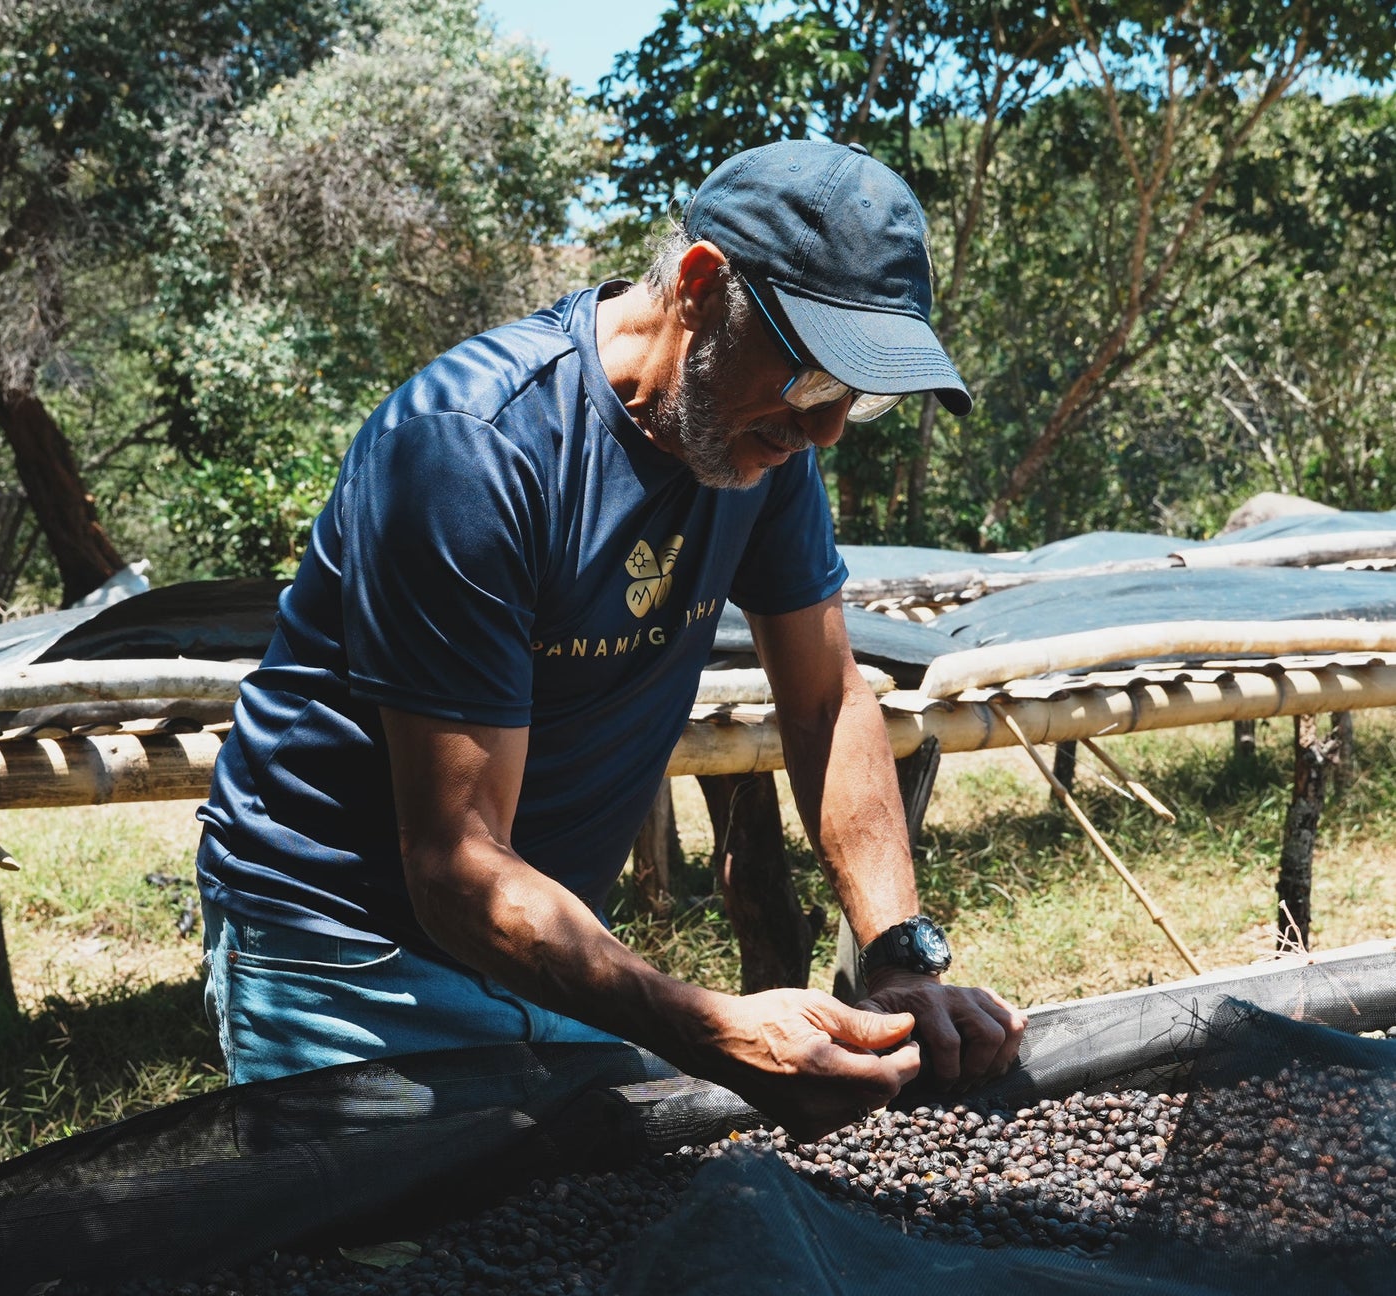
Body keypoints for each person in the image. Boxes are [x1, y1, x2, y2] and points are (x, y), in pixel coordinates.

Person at [196, 139, 1025, 1141]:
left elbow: (824, 699)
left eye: (864, 393)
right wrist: (707, 1025)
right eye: (814, 374)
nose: (831, 427)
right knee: (382, 1283)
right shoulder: (469, 448)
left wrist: (894, 951)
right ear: (700, 282)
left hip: (552, 944)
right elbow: (456, 862)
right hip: (347, 948)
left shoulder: (765, 446)